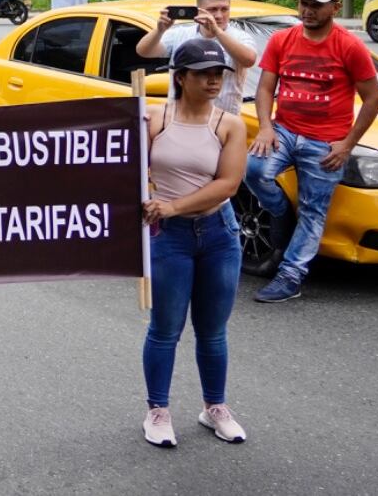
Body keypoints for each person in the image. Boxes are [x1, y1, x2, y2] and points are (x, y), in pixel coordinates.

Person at [139, 38, 250, 448]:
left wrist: (172, 206)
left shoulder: (229, 124)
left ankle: (215, 408)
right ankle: (158, 411)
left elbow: (228, 183)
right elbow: (120, 165)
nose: (212, 80)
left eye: (218, 73)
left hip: (219, 234)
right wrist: (150, 203)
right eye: (203, 73)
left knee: (213, 330)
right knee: (165, 329)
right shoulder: (154, 118)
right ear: (180, 77)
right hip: (169, 239)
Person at [245, 0, 378, 303]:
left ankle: (290, 277)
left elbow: (373, 99)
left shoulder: (349, 46)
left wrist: (347, 144)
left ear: (335, 7)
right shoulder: (282, 40)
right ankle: (280, 212)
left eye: (316, 5)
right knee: (253, 170)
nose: (307, 10)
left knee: (313, 211)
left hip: (326, 142)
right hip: (284, 131)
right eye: (304, 3)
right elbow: (265, 88)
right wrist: (266, 126)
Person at [135, 0, 258, 112]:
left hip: (222, 121)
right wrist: (159, 30)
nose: (219, 15)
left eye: (224, 9)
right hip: (179, 119)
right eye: (213, 10)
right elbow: (143, 51)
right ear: (199, 10)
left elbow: (248, 60)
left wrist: (218, 32)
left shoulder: (240, 37)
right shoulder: (180, 33)